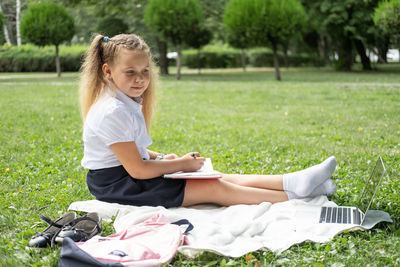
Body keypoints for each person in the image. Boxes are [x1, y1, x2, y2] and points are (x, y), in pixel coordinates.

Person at [79, 34, 337, 208]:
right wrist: (181, 164)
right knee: (214, 188)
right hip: (119, 185)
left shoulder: (125, 100)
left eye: (145, 71)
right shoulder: (111, 110)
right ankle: (297, 198)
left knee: (216, 177)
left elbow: (131, 150)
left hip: (127, 174)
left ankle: (292, 182)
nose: (140, 79)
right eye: (131, 72)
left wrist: (161, 158)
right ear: (108, 71)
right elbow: (137, 170)